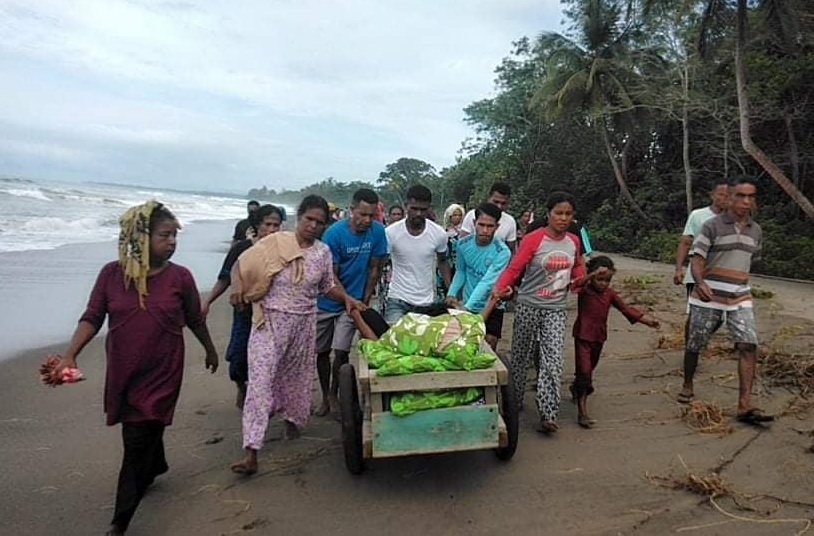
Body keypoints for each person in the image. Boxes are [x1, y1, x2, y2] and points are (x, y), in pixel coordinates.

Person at [49, 201, 219, 535]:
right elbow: (93, 316)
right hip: (124, 371)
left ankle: (119, 521)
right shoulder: (112, 275)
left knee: (138, 437)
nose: (172, 242)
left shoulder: (180, 277)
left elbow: (194, 319)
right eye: (164, 235)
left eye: (174, 236)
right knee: (143, 432)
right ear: (139, 237)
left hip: (163, 371)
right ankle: (157, 464)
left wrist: (210, 350)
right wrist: (70, 355)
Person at [229, 195, 363, 475]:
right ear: (298, 218)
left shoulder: (323, 253)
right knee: (261, 380)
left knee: (294, 378)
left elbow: (328, 285)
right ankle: (251, 450)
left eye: (319, 222)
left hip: (303, 324)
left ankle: (291, 419)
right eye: (308, 219)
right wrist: (237, 289)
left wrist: (347, 299)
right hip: (269, 321)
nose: (313, 226)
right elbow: (239, 264)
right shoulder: (275, 243)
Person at [679, 176, 772, 425]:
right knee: (695, 343)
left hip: (740, 296)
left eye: (751, 196)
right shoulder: (711, 226)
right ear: (729, 197)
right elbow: (696, 259)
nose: (745, 201)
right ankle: (687, 382)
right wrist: (700, 282)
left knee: (748, 345)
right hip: (708, 295)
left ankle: (744, 405)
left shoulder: (756, 230)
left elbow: (753, 260)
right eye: (740, 195)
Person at [493, 191, 586, 434]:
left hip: (556, 309)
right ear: (548, 214)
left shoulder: (573, 241)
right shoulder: (534, 240)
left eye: (568, 214)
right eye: (559, 213)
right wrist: (499, 288)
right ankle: (515, 399)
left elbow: (577, 265)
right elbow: (515, 268)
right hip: (528, 305)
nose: (563, 218)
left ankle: (548, 413)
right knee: (521, 357)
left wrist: (580, 281)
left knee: (553, 360)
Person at [202, 204, 284, 409]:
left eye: (276, 225)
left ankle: (266, 399)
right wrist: (207, 301)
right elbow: (224, 278)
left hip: (274, 313)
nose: (272, 229)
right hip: (245, 312)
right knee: (239, 357)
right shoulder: (242, 249)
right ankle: (241, 386)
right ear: (258, 225)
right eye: (268, 224)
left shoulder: (283, 251)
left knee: (270, 360)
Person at [315, 188, 388, 416]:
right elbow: (330, 275)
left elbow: (374, 268)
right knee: (322, 352)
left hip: (356, 301)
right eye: (362, 214)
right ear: (351, 210)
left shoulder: (377, 232)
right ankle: (326, 395)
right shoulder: (333, 235)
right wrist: (347, 298)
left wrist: (363, 300)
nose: (367, 220)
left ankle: (337, 394)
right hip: (327, 300)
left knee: (342, 350)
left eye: (371, 215)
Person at [570, 256, 660, 428]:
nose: (603, 283)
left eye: (607, 280)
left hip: (599, 337)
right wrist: (591, 276)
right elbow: (575, 286)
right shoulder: (585, 290)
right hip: (582, 336)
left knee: (587, 372)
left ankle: (577, 387)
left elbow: (625, 309)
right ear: (592, 275)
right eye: (600, 279)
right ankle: (582, 412)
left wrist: (646, 320)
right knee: (585, 371)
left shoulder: (609, 294)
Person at [445, 203, 511, 351]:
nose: (485, 230)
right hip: (468, 302)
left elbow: (487, 282)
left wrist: (466, 308)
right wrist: (451, 293)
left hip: (492, 305)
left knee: (489, 343)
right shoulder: (462, 244)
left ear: (497, 226)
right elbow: (460, 272)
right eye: (481, 225)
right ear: (474, 223)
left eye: (490, 226)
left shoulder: (502, 252)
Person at [384, 185, 451, 324]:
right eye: (414, 209)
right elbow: (380, 264)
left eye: (423, 209)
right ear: (406, 205)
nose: (419, 214)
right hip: (397, 299)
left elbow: (443, 261)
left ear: (429, 208)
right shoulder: (391, 233)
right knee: (394, 341)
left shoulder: (439, 234)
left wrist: (450, 290)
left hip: (425, 302)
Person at [673, 179, 730, 295]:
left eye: (728, 195)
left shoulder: (736, 220)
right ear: (712, 195)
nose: (725, 198)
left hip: (725, 278)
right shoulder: (698, 215)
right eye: (721, 194)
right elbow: (685, 243)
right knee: (696, 311)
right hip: (696, 275)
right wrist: (679, 269)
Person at [459, 182, 518, 253]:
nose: (499, 206)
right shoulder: (472, 215)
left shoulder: (510, 222)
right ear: (489, 198)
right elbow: (462, 244)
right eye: (496, 202)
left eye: (503, 203)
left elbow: (511, 250)